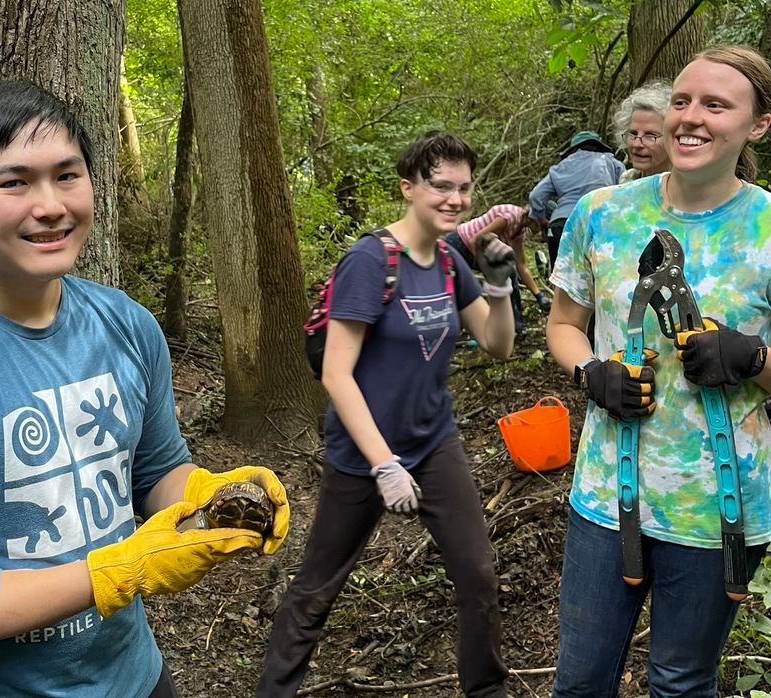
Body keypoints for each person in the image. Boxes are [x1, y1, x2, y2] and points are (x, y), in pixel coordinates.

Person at [0, 79, 290, 697]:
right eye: (14, 181)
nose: (50, 205)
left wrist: (210, 496)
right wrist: (116, 571)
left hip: (133, 675)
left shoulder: (127, 326)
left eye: (68, 175)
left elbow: (155, 470)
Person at [546, 45, 771, 696]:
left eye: (716, 104)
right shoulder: (604, 214)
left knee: (680, 683)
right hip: (605, 500)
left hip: (718, 511)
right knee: (581, 681)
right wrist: (592, 372)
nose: (690, 118)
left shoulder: (765, 227)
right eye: (681, 100)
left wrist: (752, 359)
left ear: (757, 125)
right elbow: (563, 323)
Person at [257, 131, 514, 698]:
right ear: (409, 188)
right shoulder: (371, 261)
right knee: (319, 587)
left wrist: (499, 286)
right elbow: (336, 374)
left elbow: (498, 347)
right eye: (440, 186)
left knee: (477, 576)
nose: (454, 198)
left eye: (464, 188)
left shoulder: (450, 261)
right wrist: (383, 465)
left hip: (434, 443)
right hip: (362, 453)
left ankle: (487, 691)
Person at [447, 203, 551, 337]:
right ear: (535, 218)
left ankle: (516, 327)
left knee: (510, 271)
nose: (542, 231)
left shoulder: (520, 230)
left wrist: (539, 296)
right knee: (453, 285)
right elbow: (476, 241)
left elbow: (521, 266)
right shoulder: (510, 217)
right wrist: (487, 270)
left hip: (472, 247)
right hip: (459, 243)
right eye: (542, 226)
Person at [529, 130, 625, 271]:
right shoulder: (612, 162)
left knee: (561, 280)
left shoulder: (559, 168)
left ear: (573, 150)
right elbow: (625, 190)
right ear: (598, 145)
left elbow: (535, 196)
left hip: (562, 225)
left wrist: (541, 219)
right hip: (599, 222)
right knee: (598, 277)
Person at [613, 80, 672, 183]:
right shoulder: (627, 181)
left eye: (650, 135)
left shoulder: (690, 190)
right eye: (633, 134)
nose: (637, 144)